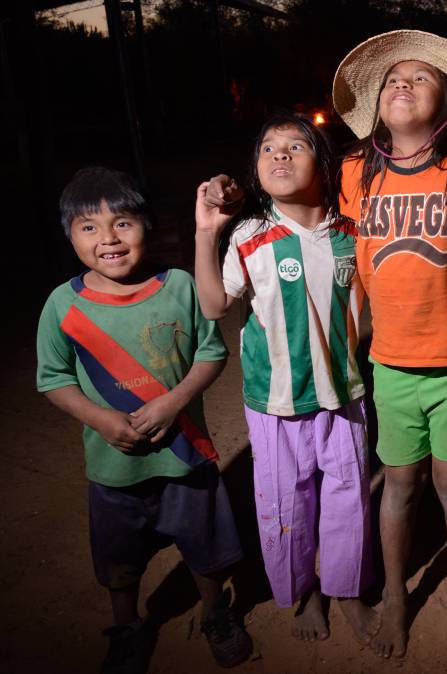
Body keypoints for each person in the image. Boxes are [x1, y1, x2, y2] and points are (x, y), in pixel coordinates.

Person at [331, 29, 447, 658]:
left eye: (421, 77)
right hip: (390, 364)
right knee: (400, 484)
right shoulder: (354, 171)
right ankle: (400, 596)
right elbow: (337, 249)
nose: (402, 83)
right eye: (392, 79)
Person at [36, 167, 252, 674]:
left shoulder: (177, 284)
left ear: (147, 227)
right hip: (114, 468)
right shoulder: (63, 306)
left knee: (205, 548)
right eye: (89, 227)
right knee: (120, 562)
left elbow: (211, 353)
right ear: (69, 234)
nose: (108, 239)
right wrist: (101, 419)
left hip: (187, 455)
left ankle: (216, 613)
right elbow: (52, 379)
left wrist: (173, 402)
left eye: (123, 223)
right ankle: (127, 628)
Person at [192, 114, 378, 644]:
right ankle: (304, 592)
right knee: (286, 505)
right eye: (268, 147)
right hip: (275, 404)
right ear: (255, 168)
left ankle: (345, 591)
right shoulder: (251, 234)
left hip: (343, 395)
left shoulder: (352, 231)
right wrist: (207, 233)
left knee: (349, 499)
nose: (280, 155)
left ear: (323, 162)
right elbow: (212, 303)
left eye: (296, 146)